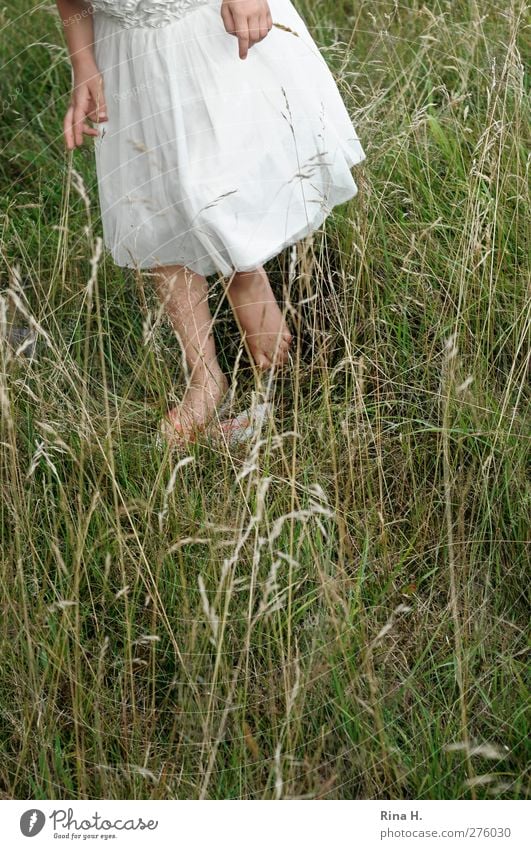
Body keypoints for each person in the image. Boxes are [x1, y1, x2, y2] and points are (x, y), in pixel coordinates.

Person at [55, 0, 366, 447]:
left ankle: (246, 276)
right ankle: (205, 376)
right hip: (123, 44)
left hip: (203, 24)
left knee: (212, 177)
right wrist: (83, 62)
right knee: (154, 202)